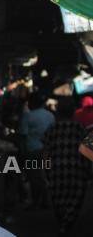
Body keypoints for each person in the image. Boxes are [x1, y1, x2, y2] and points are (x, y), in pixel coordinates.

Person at [44, 97, 91, 236]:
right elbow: (87, 151)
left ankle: (63, 225)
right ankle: (67, 225)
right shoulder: (80, 128)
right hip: (77, 170)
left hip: (56, 170)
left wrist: (45, 169)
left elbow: (46, 152)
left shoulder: (51, 129)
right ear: (72, 113)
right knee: (75, 198)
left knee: (59, 199)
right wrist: (88, 169)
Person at [19, 92, 54, 208]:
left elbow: (23, 136)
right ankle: (46, 200)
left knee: (34, 177)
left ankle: (37, 201)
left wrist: (22, 152)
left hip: (32, 152)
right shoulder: (50, 115)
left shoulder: (28, 116)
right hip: (47, 152)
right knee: (45, 176)